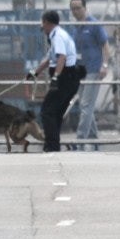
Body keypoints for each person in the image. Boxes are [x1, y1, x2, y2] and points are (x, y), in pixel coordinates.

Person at [34, 9, 85, 153]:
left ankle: (52, 146)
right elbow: (49, 58)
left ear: (47, 22)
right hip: (69, 78)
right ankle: (53, 145)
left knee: (47, 111)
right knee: (55, 113)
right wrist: (35, 73)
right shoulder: (58, 35)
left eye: (43, 23)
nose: (42, 27)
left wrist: (56, 77)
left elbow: (62, 57)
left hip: (65, 78)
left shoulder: (57, 36)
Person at [67, 0, 110, 146]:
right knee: (85, 105)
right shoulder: (75, 28)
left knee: (86, 105)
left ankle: (80, 140)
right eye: (73, 9)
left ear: (85, 8)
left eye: (78, 8)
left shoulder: (94, 25)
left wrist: (105, 65)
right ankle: (94, 139)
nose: (75, 11)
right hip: (80, 70)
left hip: (93, 69)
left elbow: (105, 46)